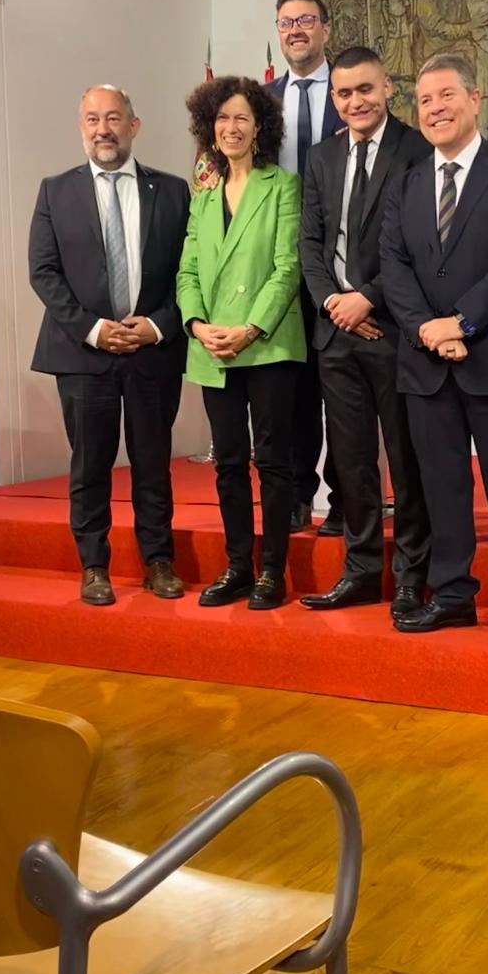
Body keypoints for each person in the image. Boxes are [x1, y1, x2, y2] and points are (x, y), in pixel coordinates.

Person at [380, 54, 488, 651]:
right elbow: (392, 267)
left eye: (446, 96)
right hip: (426, 366)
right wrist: (428, 328)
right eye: (424, 101)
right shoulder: (404, 184)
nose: (435, 109)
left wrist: (462, 321)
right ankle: (451, 596)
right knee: (441, 491)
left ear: (475, 99)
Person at [28, 85, 191, 607]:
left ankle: (158, 561)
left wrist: (159, 325)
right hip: (84, 354)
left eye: (114, 118)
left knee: (152, 462)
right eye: (93, 119)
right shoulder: (55, 191)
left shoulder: (172, 191)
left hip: (151, 353)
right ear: (82, 127)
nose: (103, 129)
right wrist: (94, 328)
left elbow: (189, 275)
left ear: (134, 125)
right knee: (90, 465)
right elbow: (44, 272)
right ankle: (94, 565)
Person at [298, 46, 433, 620]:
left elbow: (420, 243)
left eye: (366, 90)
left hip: (395, 329)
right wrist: (333, 301)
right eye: (345, 93)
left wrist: (368, 298)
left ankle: (409, 576)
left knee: (406, 462)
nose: (355, 101)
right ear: (334, 98)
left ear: (387, 90)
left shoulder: (416, 148)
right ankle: (359, 571)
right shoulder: (321, 156)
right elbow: (310, 243)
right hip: (337, 335)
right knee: (351, 462)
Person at [177, 76, 306, 610]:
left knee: (273, 461)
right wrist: (195, 324)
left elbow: (287, 267)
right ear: (211, 127)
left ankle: (271, 571)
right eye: (222, 119)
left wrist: (251, 327)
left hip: (268, 346)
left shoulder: (284, 186)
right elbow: (187, 269)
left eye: (242, 119)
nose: (231, 128)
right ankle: (236, 566)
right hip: (212, 349)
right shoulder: (203, 196)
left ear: (260, 129)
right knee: (228, 463)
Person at [267, 0, 344, 536]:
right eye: (286, 22)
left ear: (325, 29)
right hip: (278, 263)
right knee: (290, 388)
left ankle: (345, 497)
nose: (296, 30)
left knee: (342, 389)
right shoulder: (260, 100)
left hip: (342, 260)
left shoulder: (351, 92)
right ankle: (296, 493)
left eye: (306, 20)